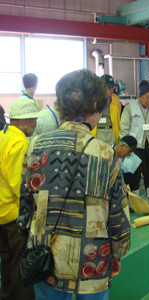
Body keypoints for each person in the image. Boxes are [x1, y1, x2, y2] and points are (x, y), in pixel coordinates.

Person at [17, 69, 131, 299]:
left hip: (45, 261)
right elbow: (118, 214)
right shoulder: (105, 154)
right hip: (92, 262)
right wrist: (117, 253)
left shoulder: (35, 146)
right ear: (96, 106)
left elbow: (25, 206)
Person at [0, 97, 43, 300]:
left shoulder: (2, 135)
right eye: (34, 120)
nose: (36, 124)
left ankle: (7, 295)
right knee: (21, 265)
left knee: (6, 262)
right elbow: (19, 184)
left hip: (1, 212)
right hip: (14, 214)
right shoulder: (19, 143)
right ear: (24, 121)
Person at [120, 80, 149, 205]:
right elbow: (124, 127)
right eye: (147, 97)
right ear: (140, 96)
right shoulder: (130, 107)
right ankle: (135, 198)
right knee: (135, 172)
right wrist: (125, 145)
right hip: (135, 146)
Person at [91, 74, 121, 145]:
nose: (111, 90)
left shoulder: (115, 98)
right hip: (98, 132)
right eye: (109, 87)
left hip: (111, 132)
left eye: (112, 87)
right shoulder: (93, 99)